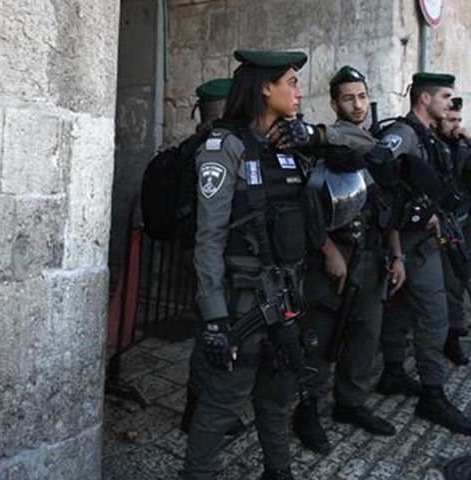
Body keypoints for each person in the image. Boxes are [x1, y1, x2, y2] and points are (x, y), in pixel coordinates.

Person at [183, 49, 321, 480]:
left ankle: (278, 471)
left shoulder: (288, 145)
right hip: (241, 304)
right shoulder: (224, 148)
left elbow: (365, 147)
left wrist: (316, 137)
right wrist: (214, 318)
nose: (299, 92)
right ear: (265, 88)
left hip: (286, 301)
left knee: (277, 399)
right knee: (221, 405)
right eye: (292, 82)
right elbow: (208, 239)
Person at [291, 66, 399, 454]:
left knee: (365, 335)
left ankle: (351, 404)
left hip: (373, 257)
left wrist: (398, 255)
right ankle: (308, 410)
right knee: (321, 338)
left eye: (361, 96)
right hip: (334, 260)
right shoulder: (328, 145)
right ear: (335, 103)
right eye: (348, 97)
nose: (357, 104)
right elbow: (307, 208)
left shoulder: (378, 148)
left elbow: (388, 207)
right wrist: (328, 250)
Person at [376, 72, 471, 435]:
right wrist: (409, 213)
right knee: (435, 316)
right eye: (446, 96)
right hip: (411, 242)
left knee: (400, 311)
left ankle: (394, 371)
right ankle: (433, 394)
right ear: (424, 99)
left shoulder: (430, 138)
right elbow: (379, 173)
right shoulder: (405, 134)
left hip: (421, 239)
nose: (451, 103)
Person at [180, 77, 232, 434]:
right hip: (208, 255)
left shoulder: (193, 145)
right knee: (208, 333)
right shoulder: (210, 150)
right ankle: (197, 411)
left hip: (196, 251)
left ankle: (199, 407)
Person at [437, 96, 471, 366]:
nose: (455, 125)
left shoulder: (461, 149)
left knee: (457, 281)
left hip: (460, 224)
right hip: (436, 226)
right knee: (447, 285)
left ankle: (454, 333)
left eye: (458, 120)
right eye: (450, 120)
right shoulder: (435, 147)